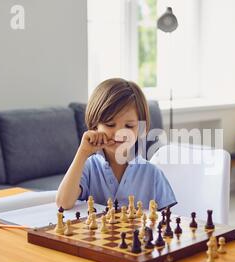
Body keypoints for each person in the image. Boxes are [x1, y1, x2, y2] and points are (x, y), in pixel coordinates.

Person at [56, 78, 176, 210]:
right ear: (95, 126)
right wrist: (82, 152)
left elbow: (166, 221)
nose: (119, 132)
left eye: (129, 126)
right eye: (110, 124)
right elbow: (63, 203)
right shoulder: (89, 168)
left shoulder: (153, 174)